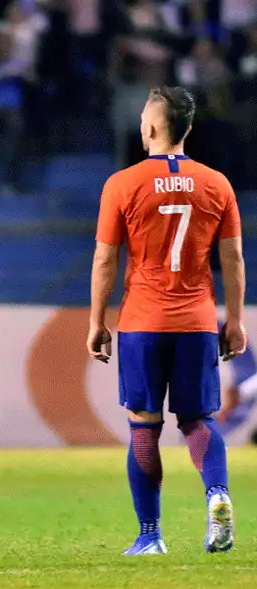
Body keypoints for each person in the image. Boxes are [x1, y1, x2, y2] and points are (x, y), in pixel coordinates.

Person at [87, 86, 245, 555]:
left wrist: (96, 320)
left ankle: (150, 536)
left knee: (143, 427)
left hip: (143, 321)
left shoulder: (123, 183)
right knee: (198, 421)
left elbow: (104, 260)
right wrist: (234, 320)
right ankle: (217, 494)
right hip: (196, 321)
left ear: (151, 128)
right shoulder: (217, 183)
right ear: (188, 129)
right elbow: (233, 257)